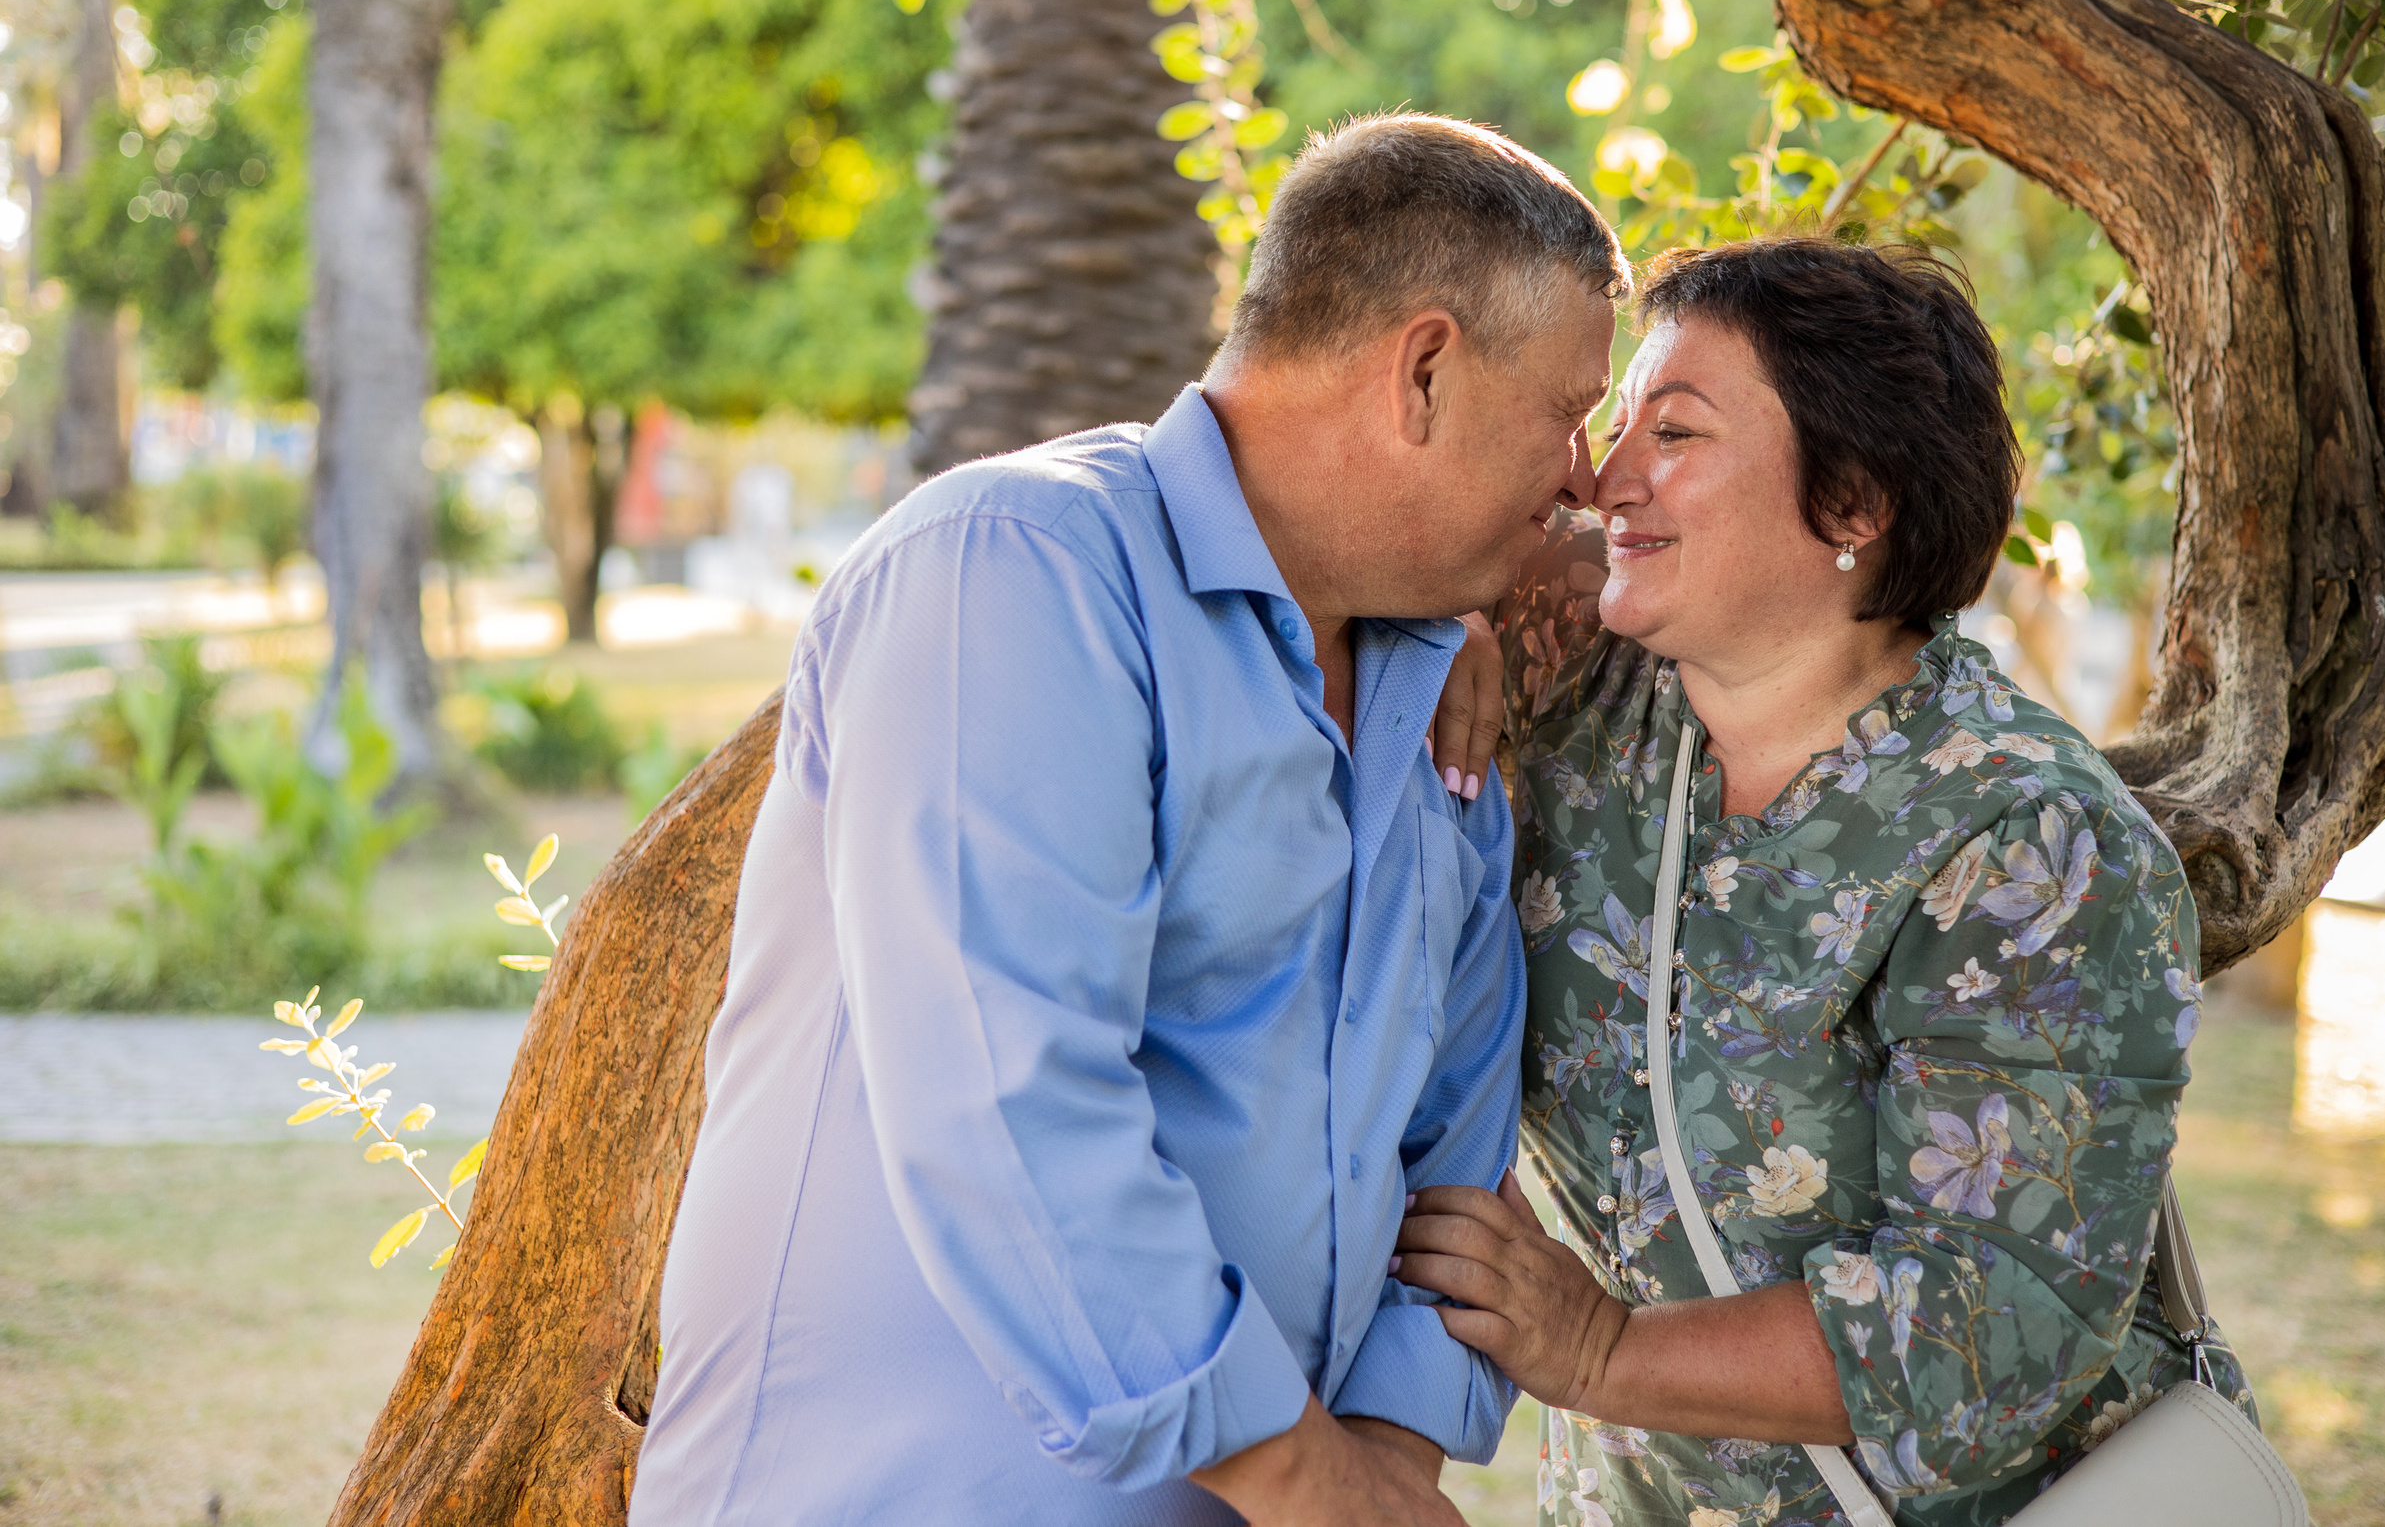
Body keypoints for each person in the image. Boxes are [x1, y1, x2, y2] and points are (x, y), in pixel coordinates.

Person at [626, 114, 1631, 1526]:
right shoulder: (1014, 574)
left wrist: (1388, 1465)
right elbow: (1008, 1096)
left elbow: (1451, 1146)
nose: (1584, 473)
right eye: (1566, 412)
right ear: (1421, 373)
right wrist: (1306, 1481)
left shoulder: (1429, 695)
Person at [1395, 237, 2257, 1525]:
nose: (1606, 475)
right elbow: (1349, 556)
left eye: (1674, 434)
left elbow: (1998, 1325)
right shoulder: (1590, 661)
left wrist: (1599, 1354)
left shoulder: (2026, 844)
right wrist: (1426, 630)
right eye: (1617, 422)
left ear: (1854, 504)